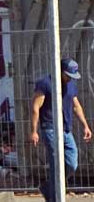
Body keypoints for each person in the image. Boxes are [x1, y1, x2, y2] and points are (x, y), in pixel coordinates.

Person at [31, 57, 91, 202]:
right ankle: (55, 197)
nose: (70, 79)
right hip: (50, 129)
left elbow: (76, 106)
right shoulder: (45, 84)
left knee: (72, 163)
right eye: (68, 75)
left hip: (66, 130)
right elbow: (35, 107)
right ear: (60, 71)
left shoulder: (71, 85)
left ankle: (49, 188)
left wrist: (85, 126)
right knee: (56, 163)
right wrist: (33, 131)